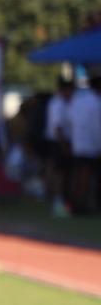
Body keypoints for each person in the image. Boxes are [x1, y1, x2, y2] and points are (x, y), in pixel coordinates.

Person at [67, 78, 101, 215]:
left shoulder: (79, 101)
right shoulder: (96, 103)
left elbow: (70, 120)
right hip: (90, 146)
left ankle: (75, 203)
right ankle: (81, 204)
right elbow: (97, 127)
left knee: (78, 175)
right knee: (85, 176)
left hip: (78, 143)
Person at [45, 75, 75, 217]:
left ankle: (60, 202)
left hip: (61, 142)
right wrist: (63, 146)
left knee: (61, 174)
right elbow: (57, 128)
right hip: (59, 142)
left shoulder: (64, 103)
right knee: (59, 174)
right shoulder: (58, 104)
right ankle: (57, 203)